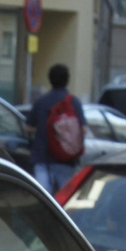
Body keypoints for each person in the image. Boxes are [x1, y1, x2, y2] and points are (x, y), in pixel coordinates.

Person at [28, 63, 83, 195]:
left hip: (42, 157)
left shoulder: (40, 101)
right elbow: (83, 129)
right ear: (67, 80)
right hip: (66, 159)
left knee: (43, 197)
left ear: (50, 79)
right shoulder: (73, 102)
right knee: (66, 197)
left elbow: (28, 127)